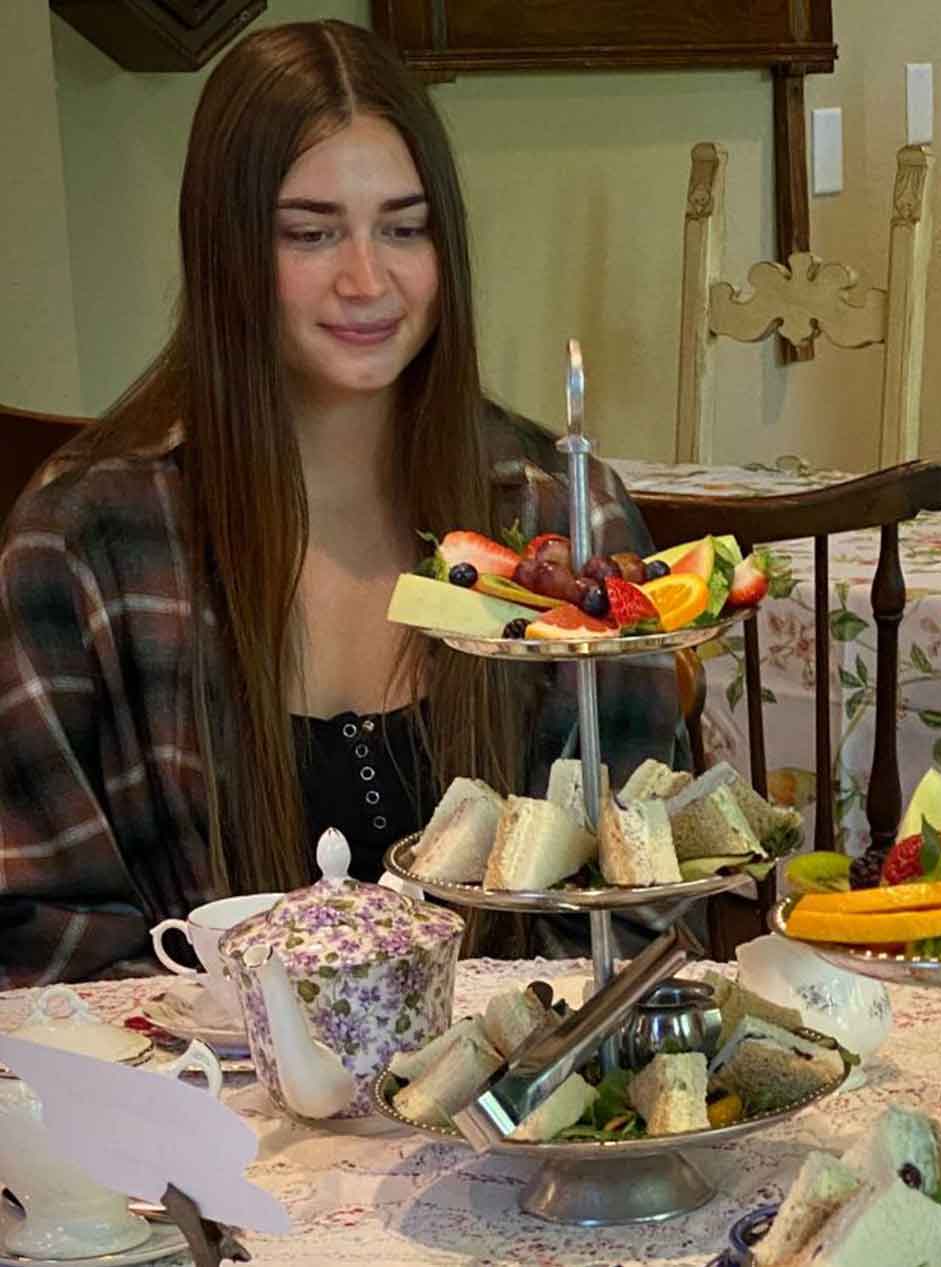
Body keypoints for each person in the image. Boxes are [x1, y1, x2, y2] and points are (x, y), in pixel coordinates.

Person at [0, 21, 680, 987]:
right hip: (196, 1079)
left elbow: (641, 902)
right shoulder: (83, 540)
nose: (368, 280)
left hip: (521, 1075)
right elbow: (41, 942)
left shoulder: (563, 519)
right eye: (311, 233)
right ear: (227, 250)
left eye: (404, 228)